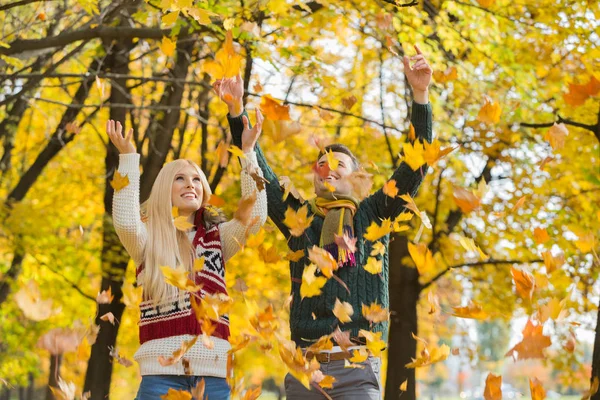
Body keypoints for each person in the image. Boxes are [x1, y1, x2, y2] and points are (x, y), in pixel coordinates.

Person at [215, 44, 433, 399]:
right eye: (322, 165)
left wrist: (420, 95)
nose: (328, 169)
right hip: (306, 369)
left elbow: (414, 167)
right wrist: (237, 111)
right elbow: (264, 179)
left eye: (339, 165)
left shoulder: (373, 213)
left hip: (358, 368)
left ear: (356, 177)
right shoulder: (300, 220)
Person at [107, 114, 267, 399]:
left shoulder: (217, 239)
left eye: (196, 179)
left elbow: (255, 216)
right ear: (164, 190)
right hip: (160, 378)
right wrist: (129, 158)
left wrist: (248, 153)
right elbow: (125, 221)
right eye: (179, 178)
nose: (190, 184)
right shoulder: (147, 239)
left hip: (213, 379)